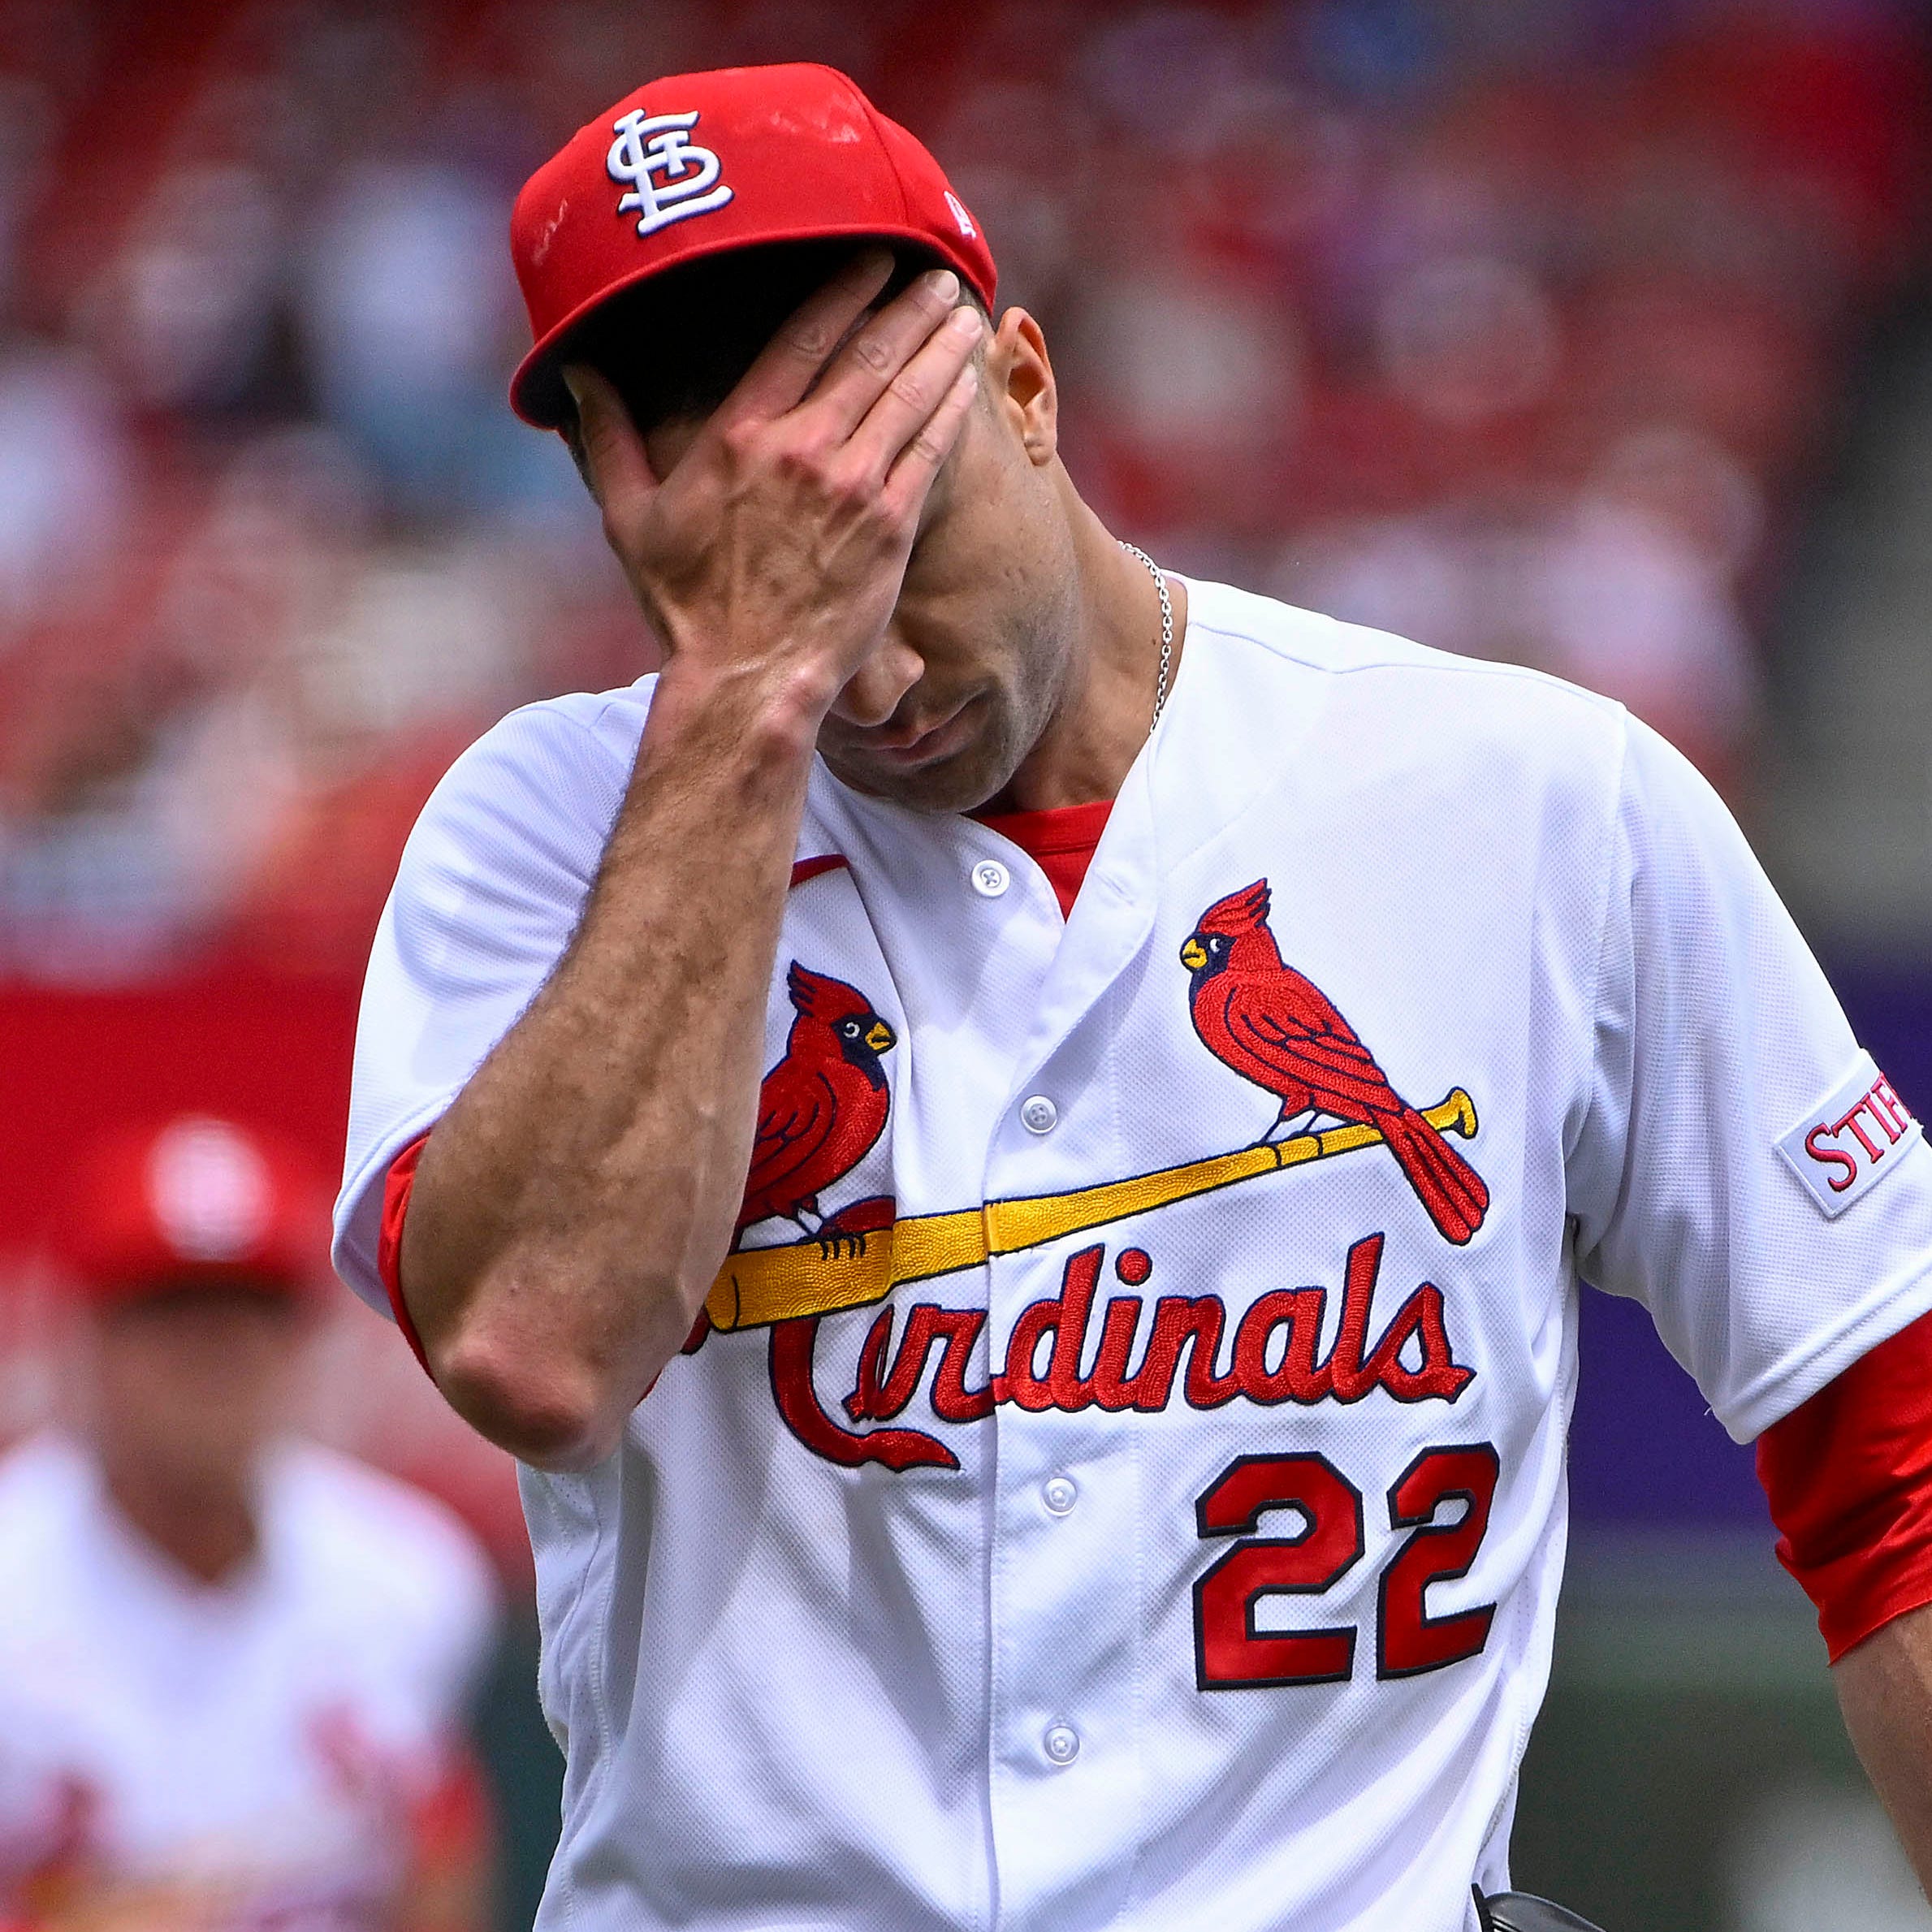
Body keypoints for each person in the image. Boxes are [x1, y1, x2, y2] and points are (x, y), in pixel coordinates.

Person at [331, 63, 1932, 1932]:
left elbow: (1888, 1444)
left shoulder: (1528, 799)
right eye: (738, 572)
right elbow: (531, 1348)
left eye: (884, 531)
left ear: (1023, 384)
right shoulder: (555, 827)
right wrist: (740, 695)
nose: (863, 667)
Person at [0, 1113, 499, 1932]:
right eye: (169, 1312)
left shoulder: (408, 1574)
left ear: (301, 1344)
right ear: (85, 1340)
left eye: (247, 1313)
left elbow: (440, 1862)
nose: (213, 1355)